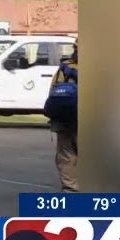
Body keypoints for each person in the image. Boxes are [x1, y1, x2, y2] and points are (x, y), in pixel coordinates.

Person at [45, 44, 79, 192]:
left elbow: (53, 91)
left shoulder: (65, 67)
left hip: (64, 120)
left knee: (66, 157)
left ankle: (70, 192)